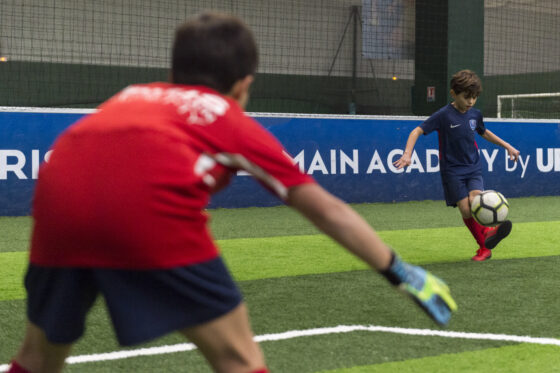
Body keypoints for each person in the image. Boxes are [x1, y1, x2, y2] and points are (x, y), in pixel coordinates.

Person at [8, 13, 456, 373]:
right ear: (244, 83)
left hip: (55, 202)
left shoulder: (132, 95)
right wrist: (396, 269)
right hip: (146, 214)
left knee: (38, 358)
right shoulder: (228, 119)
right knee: (238, 359)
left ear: (172, 72)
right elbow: (325, 210)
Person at [394, 70, 520, 262]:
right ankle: (485, 242)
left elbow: (484, 132)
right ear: (453, 93)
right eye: (466, 97)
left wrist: (508, 146)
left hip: (473, 167)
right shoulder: (443, 115)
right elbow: (416, 131)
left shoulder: (475, 114)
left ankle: (486, 240)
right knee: (466, 209)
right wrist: (407, 154)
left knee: (476, 200)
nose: (471, 102)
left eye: (475, 98)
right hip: (452, 171)